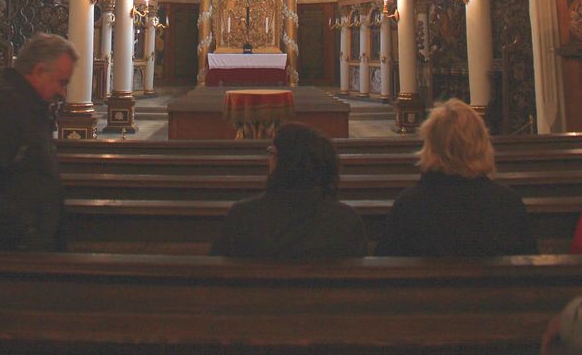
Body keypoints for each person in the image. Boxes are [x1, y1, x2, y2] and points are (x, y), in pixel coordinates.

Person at [0, 32, 78, 251]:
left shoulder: (28, 105)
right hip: (5, 250)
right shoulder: (5, 106)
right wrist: (22, 231)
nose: (62, 92)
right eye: (61, 82)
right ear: (38, 71)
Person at [375, 98, 537, 257]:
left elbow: (383, 266)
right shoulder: (508, 204)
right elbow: (531, 267)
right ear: (482, 143)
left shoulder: (408, 205)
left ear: (430, 145)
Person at [210, 122, 367, 260]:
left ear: (281, 163)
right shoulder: (347, 220)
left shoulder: (243, 216)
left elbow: (215, 268)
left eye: (272, 153)